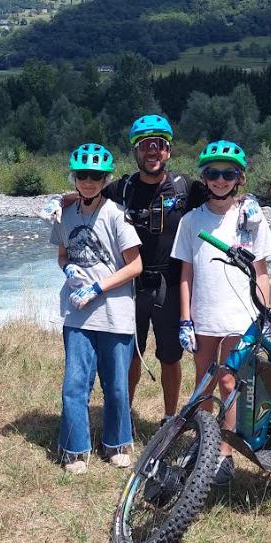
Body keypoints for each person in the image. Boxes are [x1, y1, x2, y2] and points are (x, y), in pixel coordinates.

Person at [42, 115, 208, 425]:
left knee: (170, 357)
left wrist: (247, 200)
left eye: (159, 145)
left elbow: (222, 196)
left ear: (169, 151)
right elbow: (88, 191)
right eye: (145, 145)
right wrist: (57, 200)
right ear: (136, 152)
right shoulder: (124, 187)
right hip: (130, 285)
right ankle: (124, 417)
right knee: (130, 353)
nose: (152, 151)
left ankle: (170, 418)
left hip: (170, 285)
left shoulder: (187, 187)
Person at [171, 140, 271, 485]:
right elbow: (186, 273)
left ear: (239, 178)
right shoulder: (190, 221)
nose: (220, 180)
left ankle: (225, 453)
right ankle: (204, 440)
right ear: (204, 177)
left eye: (228, 173)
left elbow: (261, 270)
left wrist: (263, 313)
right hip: (204, 314)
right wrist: (185, 318)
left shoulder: (251, 218)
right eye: (213, 174)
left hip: (240, 314)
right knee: (204, 381)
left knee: (230, 380)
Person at [50, 143, 143, 475]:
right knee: (75, 384)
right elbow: (63, 254)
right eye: (83, 175)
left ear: (106, 179)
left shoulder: (117, 215)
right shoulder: (65, 214)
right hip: (76, 314)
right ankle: (75, 448)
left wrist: (97, 287)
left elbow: (135, 266)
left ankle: (117, 443)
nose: (89, 181)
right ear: (74, 177)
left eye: (96, 176)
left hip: (115, 314)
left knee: (116, 385)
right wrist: (68, 269)